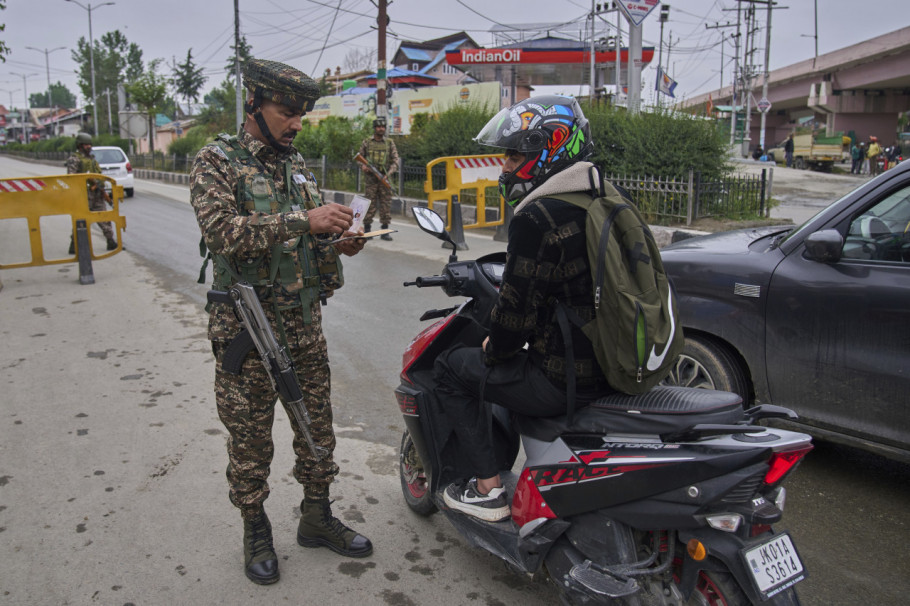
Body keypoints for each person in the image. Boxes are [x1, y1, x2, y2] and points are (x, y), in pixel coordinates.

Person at [190, 59, 372, 585]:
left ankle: (316, 516)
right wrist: (303, 219)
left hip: (302, 323)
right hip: (246, 330)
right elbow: (223, 233)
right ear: (254, 104)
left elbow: (306, 241)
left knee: (317, 428)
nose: (296, 124)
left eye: (301, 115)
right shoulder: (216, 161)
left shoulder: (297, 168)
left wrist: (339, 241)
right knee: (250, 440)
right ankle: (256, 529)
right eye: (286, 112)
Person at [433, 95, 615, 522]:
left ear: (549, 148)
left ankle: (487, 488)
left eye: (515, 155)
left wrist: (493, 347)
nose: (506, 167)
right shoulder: (605, 198)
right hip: (616, 365)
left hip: (566, 381)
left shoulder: (539, 217)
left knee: (449, 368)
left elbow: (513, 321)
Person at [67, 132, 117, 254]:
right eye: (86, 144)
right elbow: (71, 177)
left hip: (97, 193)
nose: (89, 146)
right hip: (84, 195)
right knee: (80, 219)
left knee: (103, 217)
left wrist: (100, 184)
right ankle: (74, 244)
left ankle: (111, 241)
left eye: (90, 144)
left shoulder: (92, 159)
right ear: (80, 145)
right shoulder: (74, 159)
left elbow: (98, 174)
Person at [357, 117, 398, 240]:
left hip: (384, 178)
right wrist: (363, 166)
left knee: (386, 205)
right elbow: (359, 158)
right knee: (369, 204)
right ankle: (367, 230)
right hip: (371, 179)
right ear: (375, 128)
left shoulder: (389, 143)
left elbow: (395, 161)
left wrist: (388, 174)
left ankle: (385, 231)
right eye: (379, 127)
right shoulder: (367, 142)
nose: (381, 129)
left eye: (383, 127)